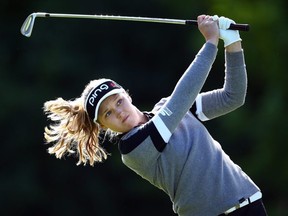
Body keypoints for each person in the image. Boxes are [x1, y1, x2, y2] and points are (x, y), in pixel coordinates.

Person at [43, 15, 268, 215]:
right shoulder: (133, 148)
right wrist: (210, 43)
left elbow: (232, 97)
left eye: (119, 101)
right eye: (108, 113)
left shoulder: (167, 107)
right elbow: (180, 99)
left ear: (128, 96)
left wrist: (232, 42)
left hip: (249, 202)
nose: (119, 112)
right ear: (102, 125)